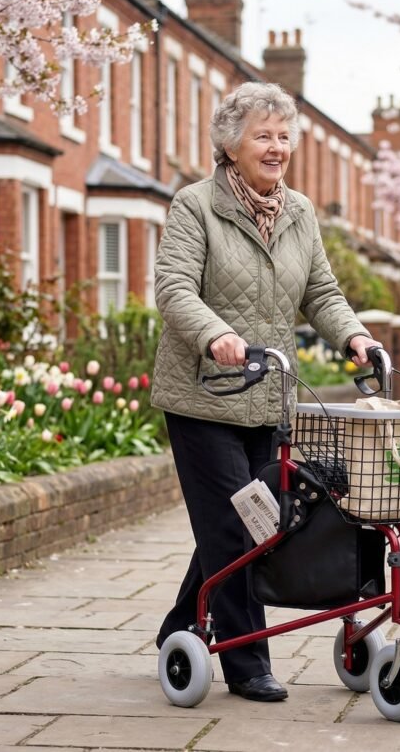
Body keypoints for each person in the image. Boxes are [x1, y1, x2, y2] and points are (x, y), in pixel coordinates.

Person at [150, 82, 382, 703]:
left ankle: (181, 626)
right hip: (203, 394)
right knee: (234, 524)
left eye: (284, 136)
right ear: (231, 143)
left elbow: (322, 293)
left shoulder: (300, 213)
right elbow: (174, 287)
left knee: (262, 523)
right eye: (262, 135)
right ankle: (245, 662)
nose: (276, 147)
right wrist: (216, 333)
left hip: (266, 397)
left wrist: (355, 337)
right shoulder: (194, 205)